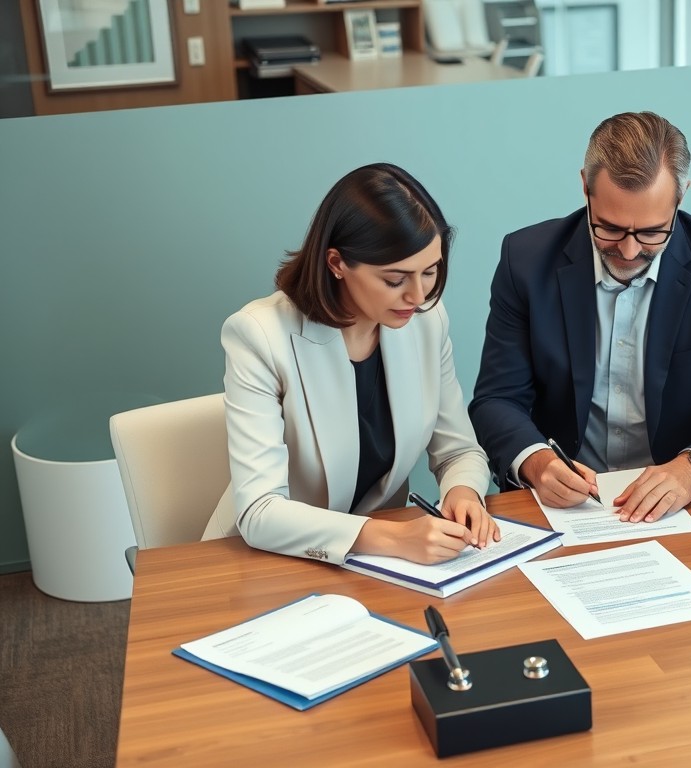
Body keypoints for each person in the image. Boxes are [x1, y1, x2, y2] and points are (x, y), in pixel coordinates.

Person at [470, 111, 691, 523]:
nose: (630, 251)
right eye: (610, 229)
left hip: (679, 505)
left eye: (653, 232)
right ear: (585, 185)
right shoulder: (527, 261)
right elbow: (497, 398)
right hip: (562, 507)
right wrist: (537, 462)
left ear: (682, 195)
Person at [202, 163, 500, 564]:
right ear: (337, 263)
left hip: (375, 563)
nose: (417, 294)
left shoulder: (427, 321)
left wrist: (463, 492)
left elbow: (458, 451)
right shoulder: (259, 336)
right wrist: (393, 538)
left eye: (430, 271)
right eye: (395, 279)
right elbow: (260, 511)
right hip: (265, 558)